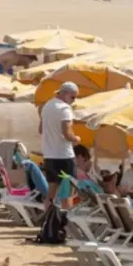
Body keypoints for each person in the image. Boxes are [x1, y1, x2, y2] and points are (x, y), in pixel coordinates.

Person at [40, 81, 80, 211]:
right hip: (64, 156)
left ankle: (48, 220)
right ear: (65, 94)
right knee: (68, 192)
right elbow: (67, 133)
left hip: (49, 155)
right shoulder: (65, 109)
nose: (73, 101)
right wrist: (76, 138)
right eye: (73, 97)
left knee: (51, 191)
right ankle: (66, 223)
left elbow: (41, 129)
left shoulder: (47, 106)